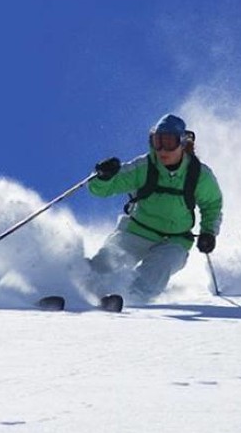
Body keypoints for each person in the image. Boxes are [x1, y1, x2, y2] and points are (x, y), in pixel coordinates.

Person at [86, 113, 223, 302]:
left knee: (159, 267)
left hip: (175, 240)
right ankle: (74, 289)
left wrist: (208, 232)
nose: (162, 149)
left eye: (168, 142)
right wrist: (103, 176)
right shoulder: (144, 167)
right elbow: (102, 189)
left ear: (182, 143)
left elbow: (212, 205)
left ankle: (132, 299)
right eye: (157, 141)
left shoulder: (199, 175)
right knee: (106, 264)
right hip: (136, 231)